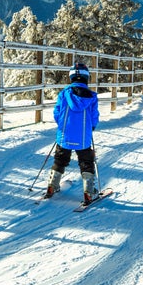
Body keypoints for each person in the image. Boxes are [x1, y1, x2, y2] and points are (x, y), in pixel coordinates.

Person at [45, 62, 101, 204]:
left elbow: (57, 113)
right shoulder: (92, 96)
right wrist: (92, 127)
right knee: (86, 161)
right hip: (83, 137)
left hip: (65, 134)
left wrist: (62, 125)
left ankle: (52, 185)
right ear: (86, 77)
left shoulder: (63, 93)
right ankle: (88, 192)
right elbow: (94, 116)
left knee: (60, 159)